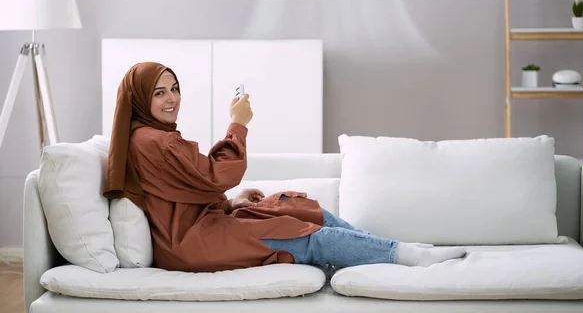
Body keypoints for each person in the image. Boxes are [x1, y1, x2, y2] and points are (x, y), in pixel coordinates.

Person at [103, 62, 467, 273]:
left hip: (201, 227)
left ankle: (388, 248)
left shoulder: (149, 137)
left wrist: (230, 204)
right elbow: (216, 174)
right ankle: (408, 257)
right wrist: (238, 124)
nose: (172, 99)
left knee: (302, 208)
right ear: (139, 99)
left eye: (174, 88)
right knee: (307, 236)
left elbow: (182, 190)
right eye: (160, 92)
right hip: (192, 243)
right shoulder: (155, 141)